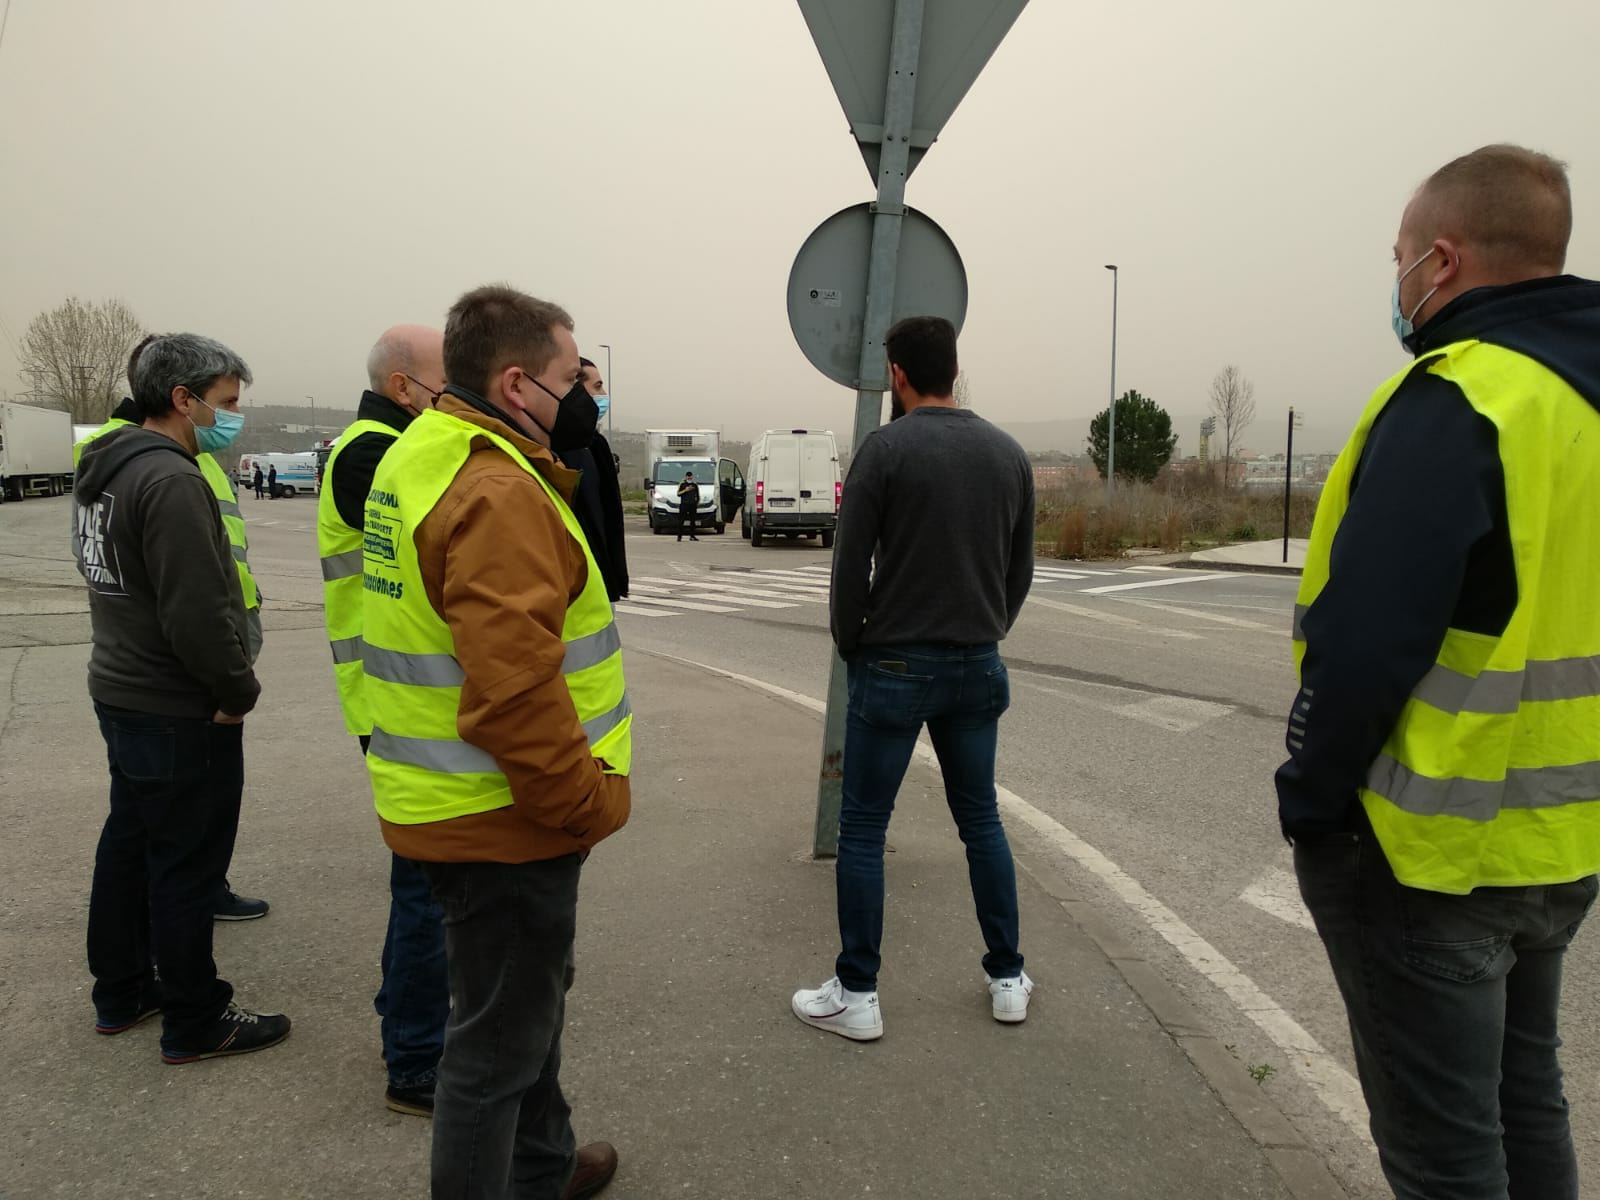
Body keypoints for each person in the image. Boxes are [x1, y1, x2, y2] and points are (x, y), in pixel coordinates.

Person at [1281, 144, 1600, 1200]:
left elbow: (1368, 640)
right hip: (1562, 840)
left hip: (1429, 852)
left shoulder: (1460, 398)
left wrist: (1311, 801)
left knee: (1444, 1158)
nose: (1398, 279)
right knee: (1526, 1103)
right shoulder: (1584, 401)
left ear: (1443, 260)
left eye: (1400, 258)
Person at [361, 285, 628, 1198]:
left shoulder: (425, 448)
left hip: (457, 800)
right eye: (571, 376)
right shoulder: (496, 488)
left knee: (520, 1013)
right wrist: (582, 804)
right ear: (517, 384)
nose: (583, 394)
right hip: (505, 814)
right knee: (493, 1052)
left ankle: (543, 1168)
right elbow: (515, 694)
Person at [792, 315, 1036, 1041]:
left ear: (897, 374)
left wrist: (853, 645)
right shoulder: (1008, 454)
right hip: (977, 663)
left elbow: (849, 567)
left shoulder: (885, 450)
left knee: (864, 829)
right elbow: (1019, 570)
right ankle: (1008, 978)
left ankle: (858, 994)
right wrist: (987, 625)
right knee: (981, 820)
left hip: (895, 664)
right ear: (953, 370)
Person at [73, 331, 290, 1064]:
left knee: (130, 844)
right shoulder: (169, 479)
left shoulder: (107, 466)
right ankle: (197, 1017)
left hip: (122, 687)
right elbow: (195, 611)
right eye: (225, 402)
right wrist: (236, 690)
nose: (232, 417)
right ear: (182, 399)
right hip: (174, 705)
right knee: (186, 865)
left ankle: (123, 988)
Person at [316, 324, 449, 1117]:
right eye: (445, 379)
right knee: (428, 887)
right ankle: (417, 1059)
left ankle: (407, 1015)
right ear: (404, 386)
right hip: (398, 701)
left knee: (425, 881)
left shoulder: (381, 446)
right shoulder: (376, 455)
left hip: (401, 696)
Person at [571, 356, 628, 600]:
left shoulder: (596, 445)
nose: (604, 394)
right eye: (597, 386)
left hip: (603, 584)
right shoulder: (563, 449)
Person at [675, 471, 699, 542]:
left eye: (690, 476)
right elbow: (678, 494)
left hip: (692, 505)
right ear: (686, 477)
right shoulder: (682, 484)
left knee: (693, 521)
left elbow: (698, 495)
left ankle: (692, 536)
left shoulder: (694, 484)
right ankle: (679, 537)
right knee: (681, 521)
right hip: (684, 505)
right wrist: (685, 490)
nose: (689, 478)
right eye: (688, 476)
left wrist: (696, 503)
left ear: (692, 477)